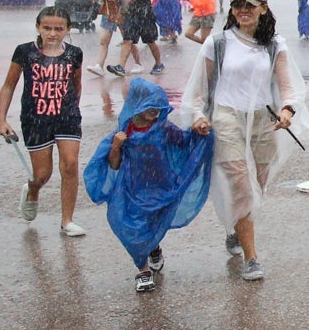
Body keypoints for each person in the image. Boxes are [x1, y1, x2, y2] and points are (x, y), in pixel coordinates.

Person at [179, 0, 309, 282]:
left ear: (263, 8)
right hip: (226, 116)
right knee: (241, 185)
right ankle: (251, 258)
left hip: (265, 118)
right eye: (238, 5)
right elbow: (200, 86)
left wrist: (288, 110)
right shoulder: (217, 43)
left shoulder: (276, 44)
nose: (243, 10)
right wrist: (198, 116)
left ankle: (233, 227)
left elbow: (287, 86)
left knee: (257, 187)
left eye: (250, 5)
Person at [85, 77, 215, 293]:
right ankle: (143, 269)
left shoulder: (163, 127)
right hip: (133, 188)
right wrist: (116, 147)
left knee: (153, 221)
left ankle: (153, 246)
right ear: (138, 104)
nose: (155, 112)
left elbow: (183, 141)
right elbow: (114, 165)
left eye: (158, 107)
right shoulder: (124, 132)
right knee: (133, 225)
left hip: (160, 185)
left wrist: (197, 130)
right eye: (150, 107)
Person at [0, 6, 85, 236]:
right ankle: (33, 190)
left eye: (58, 29)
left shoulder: (74, 53)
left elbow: (76, 83)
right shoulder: (25, 52)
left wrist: (72, 109)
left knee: (70, 164)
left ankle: (67, 221)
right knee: (42, 174)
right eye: (47, 28)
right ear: (38, 27)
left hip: (67, 118)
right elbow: (9, 85)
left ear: (68, 30)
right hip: (35, 119)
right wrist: (2, 120)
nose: (52, 33)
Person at [109, 0, 162, 76]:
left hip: (144, 15)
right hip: (131, 15)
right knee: (127, 40)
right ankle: (121, 67)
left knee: (150, 41)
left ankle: (158, 63)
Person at [87, 0, 123, 76]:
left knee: (128, 40)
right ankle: (99, 65)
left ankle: (137, 63)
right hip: (108, 13)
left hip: (121, 13)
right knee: (103, 41)